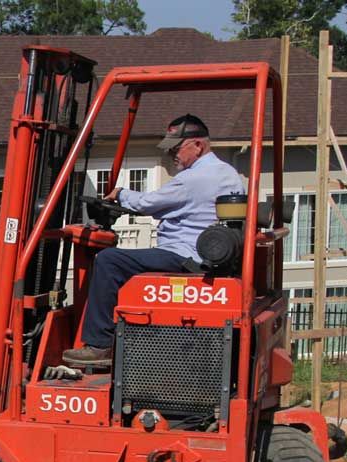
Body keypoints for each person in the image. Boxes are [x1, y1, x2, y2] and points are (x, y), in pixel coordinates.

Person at [62, 114, 245, 367]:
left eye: (176, 148)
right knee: (128, 258)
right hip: (203, 252)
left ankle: (99, 345)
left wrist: (122, 194)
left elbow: (150, 203)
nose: (172, 154)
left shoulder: (194, 178)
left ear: (198, 145)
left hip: (184, 254)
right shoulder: (228, 173)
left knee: (109, 260)